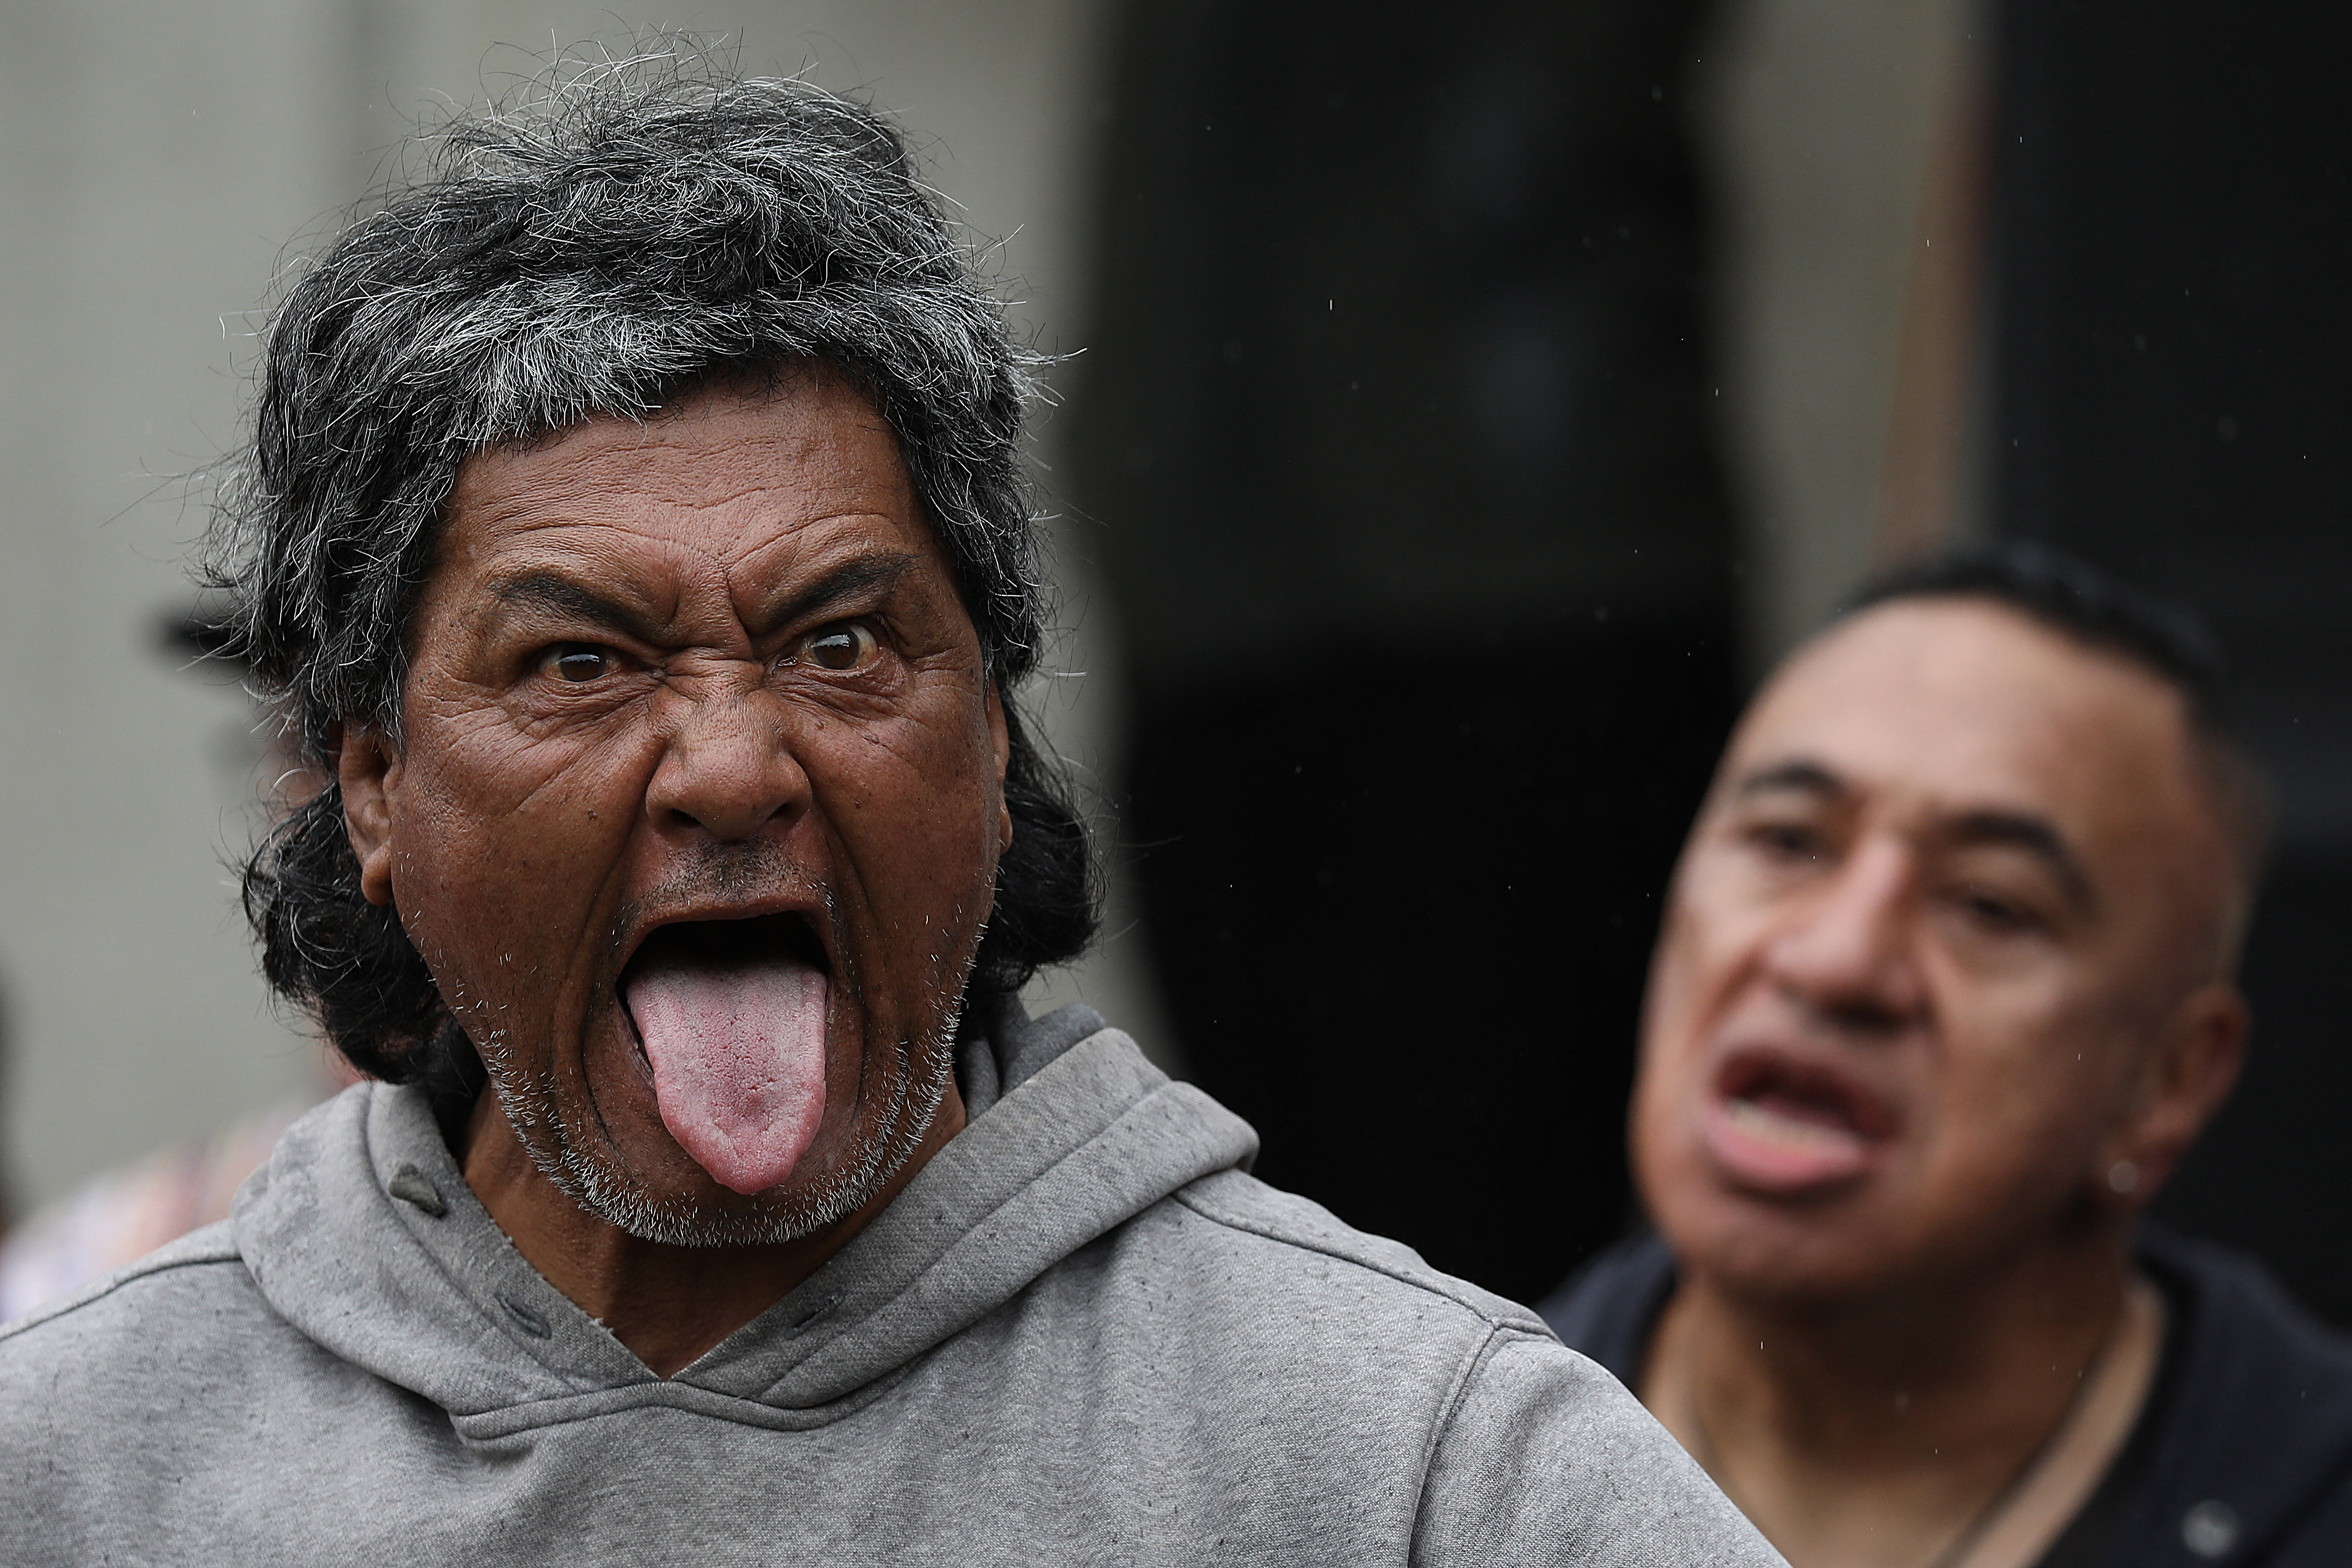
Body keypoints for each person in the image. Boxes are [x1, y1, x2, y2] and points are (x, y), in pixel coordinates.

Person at [0, 59, 1776, 1565]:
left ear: (996, 742)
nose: (731, 765)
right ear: (369, 782)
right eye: (583, 666)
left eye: (840, 643)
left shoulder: (1403, 1466)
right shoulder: (82, 1468)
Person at [1542, 545, 2352, 1567]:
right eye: (1788, 842)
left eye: (1989, 904)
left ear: (2168, 1082)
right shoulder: (1431, 1466)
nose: (1835, 961)